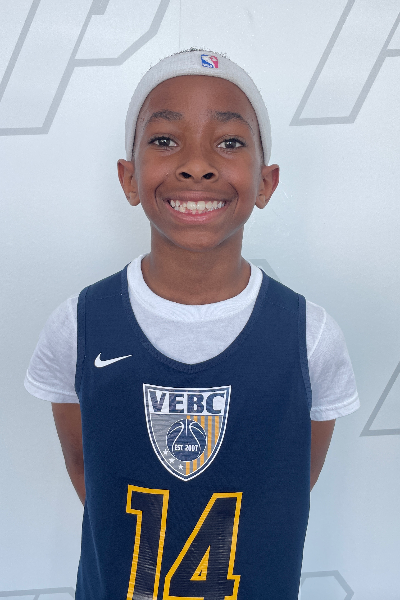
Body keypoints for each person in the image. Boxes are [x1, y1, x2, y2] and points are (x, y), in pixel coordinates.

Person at [24, 49, 360, 599]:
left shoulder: (310, 336)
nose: (197, 164)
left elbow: (288, 489)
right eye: (164, 140)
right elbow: (92, 476)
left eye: (229, 143)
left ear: (266, 182)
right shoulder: (78, 326)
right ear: (129, 178)